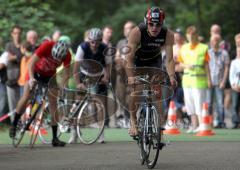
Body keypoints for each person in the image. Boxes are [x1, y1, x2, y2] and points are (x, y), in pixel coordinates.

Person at [125, 6, 177, 136]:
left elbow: (169, 60)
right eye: (151, 24)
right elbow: (128, 59)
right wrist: (131, 77)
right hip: (137, 62)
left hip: (154, 62)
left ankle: (159, 128)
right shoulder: (136, 32)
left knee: (157, 92)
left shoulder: (168, 34)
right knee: (135, 91)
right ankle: (134, 122)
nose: (154, 27)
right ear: (146, 22)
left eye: (158, 24)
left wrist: (172, 76)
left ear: (162, 24)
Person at [9, 40, 71, 147]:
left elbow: (66, 73)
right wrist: (32, 78)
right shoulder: (47, 45)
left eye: (58, 60)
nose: (55, 61)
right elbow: (31, 63)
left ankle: (55, 138)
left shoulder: (67, 55)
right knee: (26, 96)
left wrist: (62, 86)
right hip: (35, 71)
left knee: (53, 103)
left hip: (50, 76)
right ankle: (14, 124)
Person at [72, 28, 110, 143]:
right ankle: (74, 132)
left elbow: (108, 66)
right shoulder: (82, 47)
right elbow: (76, 68)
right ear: (89, 40)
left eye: (97, 41)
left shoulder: (105, 48)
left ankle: (101, 133)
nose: (94, 44)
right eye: (92, 42)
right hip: (85, 74)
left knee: (100, 105)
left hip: (99, 75)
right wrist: (78, 83)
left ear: (100, 40)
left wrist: (106, 77)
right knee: (78, 102)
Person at [178, 26, 212, 133]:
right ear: (187, 36)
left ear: (196, 35)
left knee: (199, 103)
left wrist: (209, 80)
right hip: (187, 80)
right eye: (189, 35)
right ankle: (194, 125)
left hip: (199, 80)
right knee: (189, 104)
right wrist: (186, 65)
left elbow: (207, 65)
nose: (191, 37)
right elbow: (180, 63)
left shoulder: (203, 47)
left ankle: (202, 124)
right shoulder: (183, 48)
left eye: (193, 35)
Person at [114, 21, 136, 128]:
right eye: (125, 28)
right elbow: (117, 56)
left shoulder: (138, 41)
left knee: (131, 98)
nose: (126, 30)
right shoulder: (121, 42)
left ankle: (131, 119)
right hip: (121, 74)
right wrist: (119, 60)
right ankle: (124, 118)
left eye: (128, 28)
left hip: (133, 73)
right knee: (121, 97)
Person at [207, 34, 229, 128]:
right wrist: (208, 80)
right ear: (211, 42)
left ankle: (221, 122)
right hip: (210, 81)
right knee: (209, 103)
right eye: (213, 40)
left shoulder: (224, 53)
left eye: (217, 40)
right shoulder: (207, 52)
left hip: (220, 81)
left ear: (219, 41)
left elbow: (227, 68)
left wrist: (224, 81)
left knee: (220, 103)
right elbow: (206, 67)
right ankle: (208, 122)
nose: (215, 42)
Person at [5, 25, 23, 122]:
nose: (17, 35)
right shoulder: (9, 45)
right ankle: (14, 125)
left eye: (19, 33)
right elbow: (9, 58)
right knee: (13, 105)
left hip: (23, 78)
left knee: (22, 105)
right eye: (15, 33)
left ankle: (23, 124)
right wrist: (21, 55)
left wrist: (16, 57)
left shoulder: (24, 45)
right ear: (12, 34)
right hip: (11, 79)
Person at [229, 33, 240, 129]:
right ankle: (235, 122)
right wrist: (233, 85)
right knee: (235, 104)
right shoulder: (234, 62)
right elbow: (231, 75)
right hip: (236, 86)